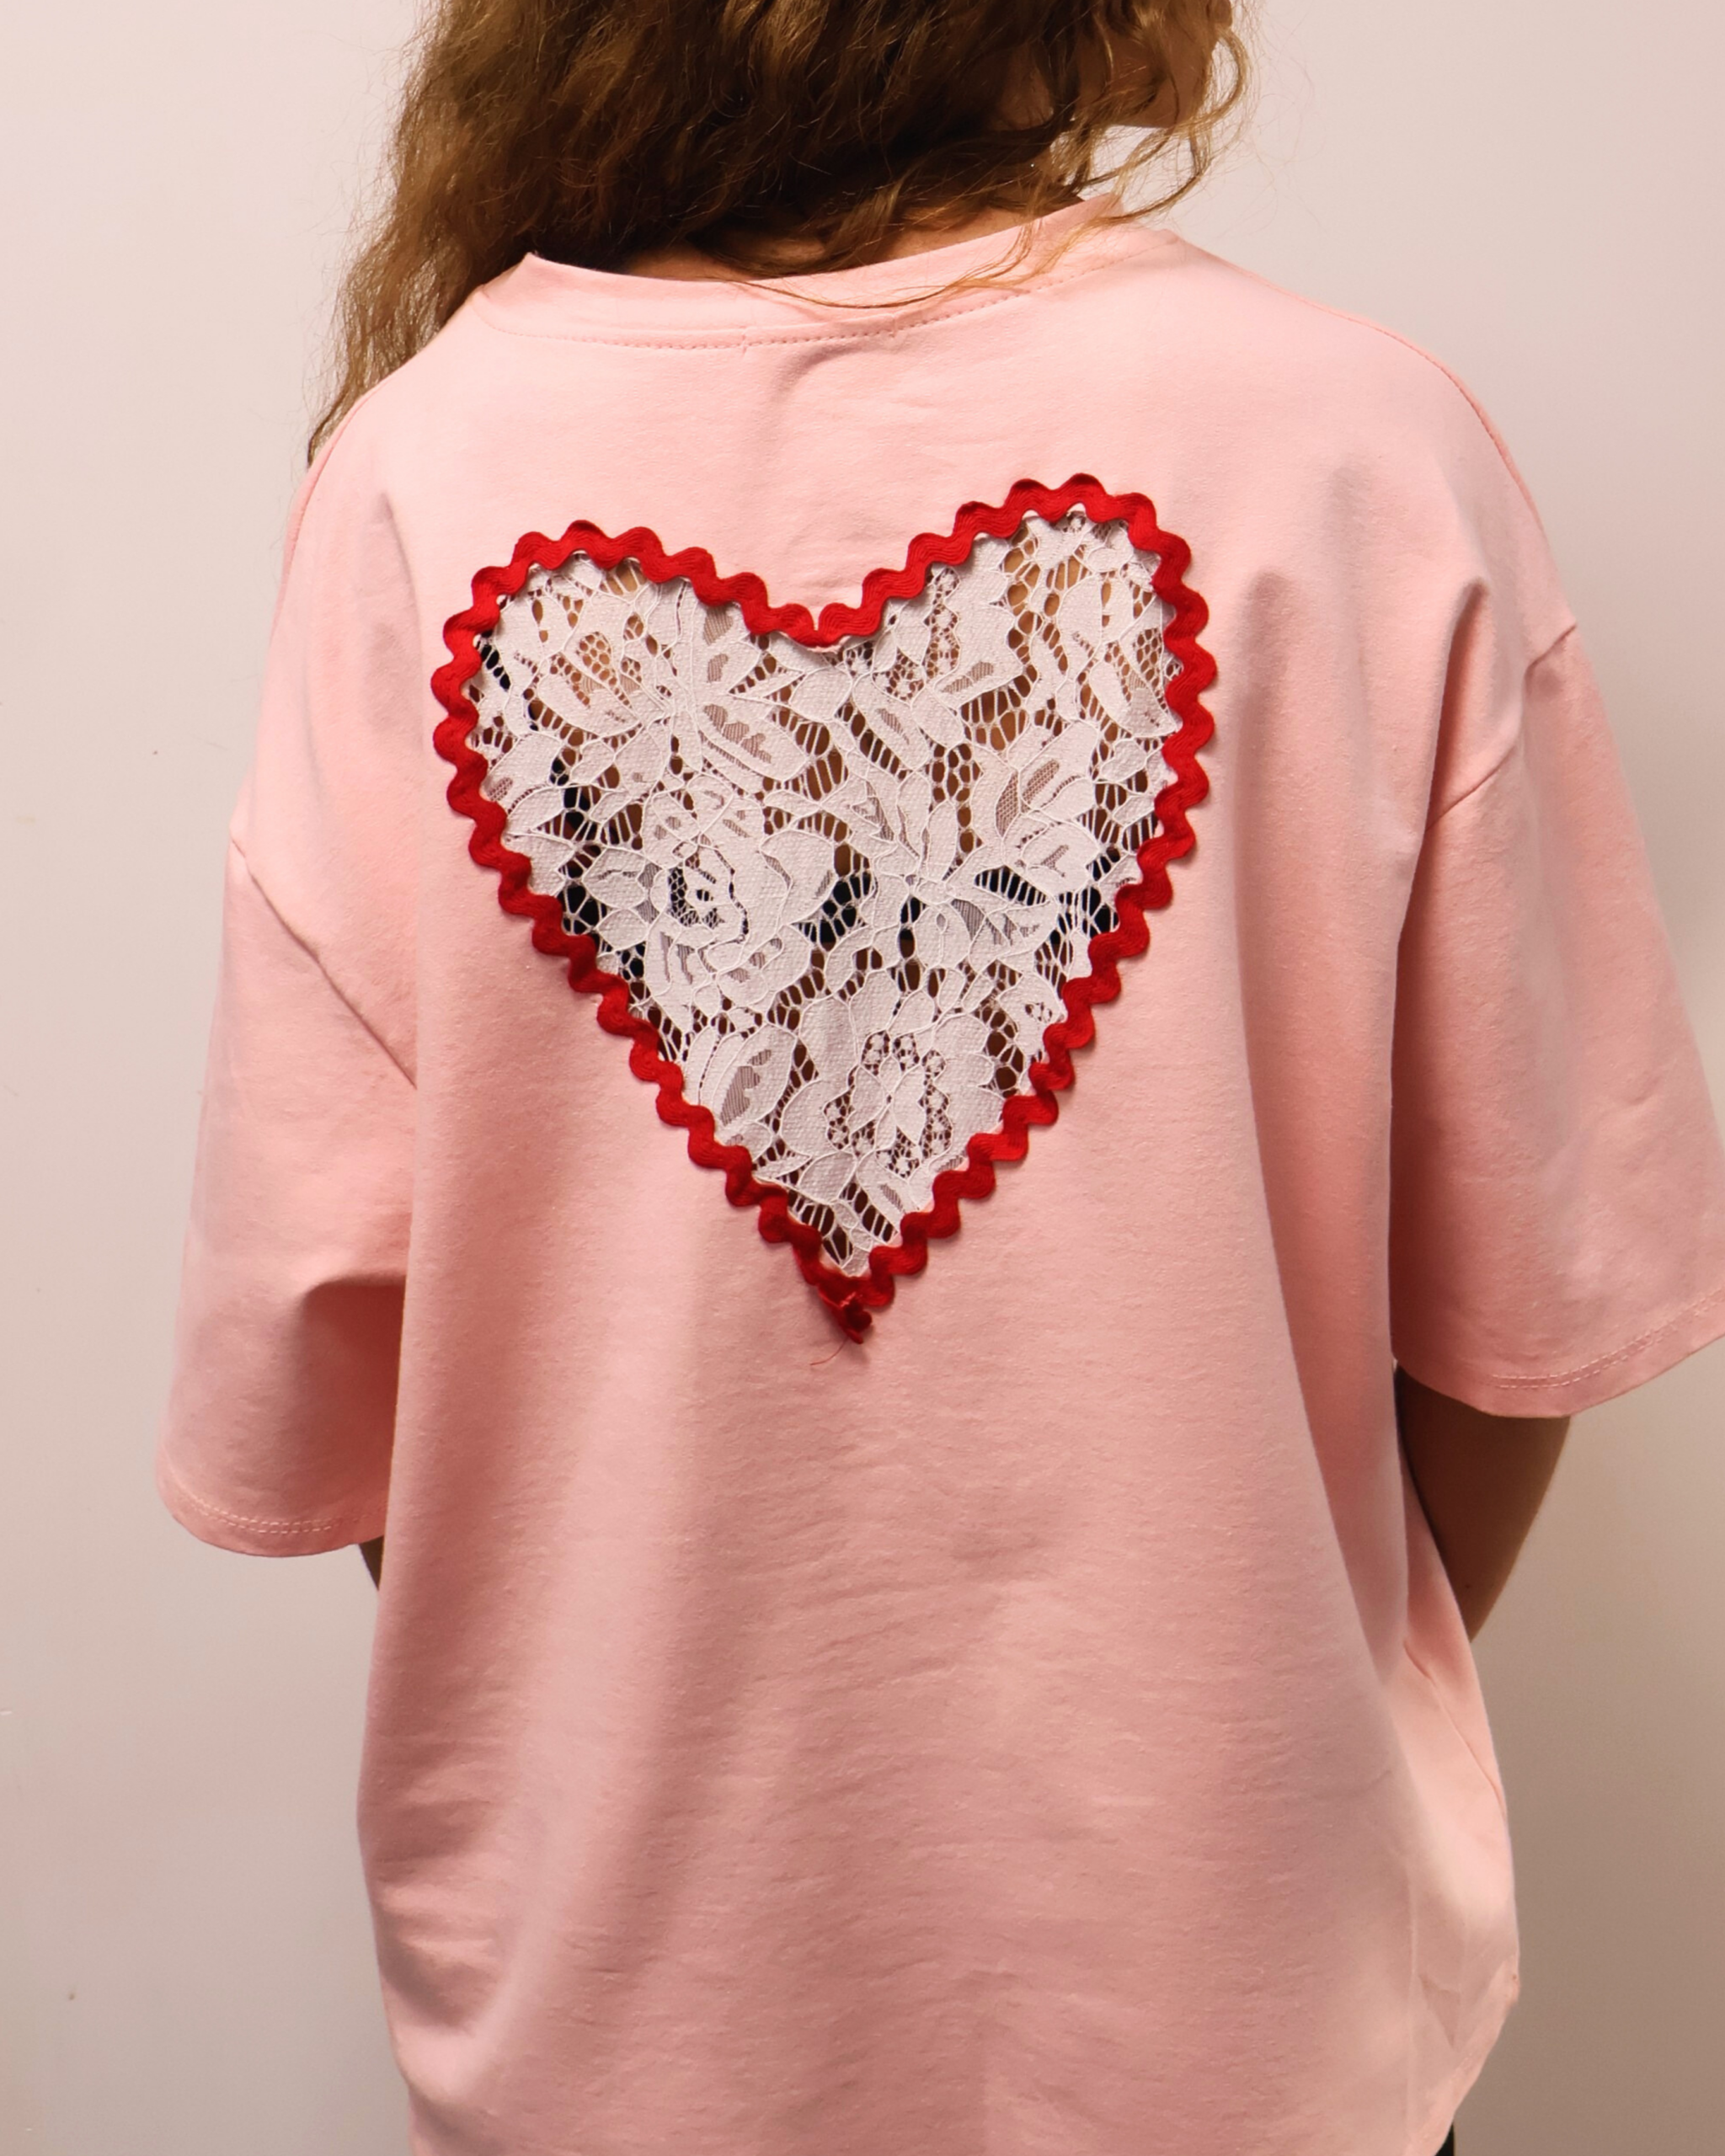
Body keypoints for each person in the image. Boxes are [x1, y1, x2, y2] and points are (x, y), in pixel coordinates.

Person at [155, 3, 1725, 2153]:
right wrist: (1270, 1661)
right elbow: (1526, 1307)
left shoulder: (419, 479)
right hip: (1248, 2006)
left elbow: (353, 1362)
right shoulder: (1357, 448)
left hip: (626, 2018)